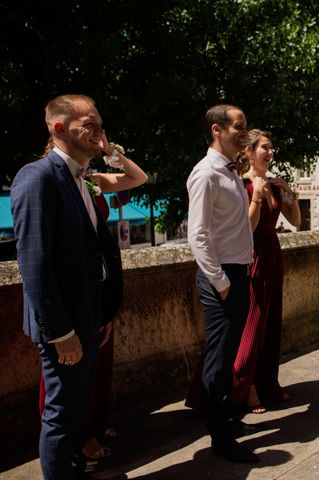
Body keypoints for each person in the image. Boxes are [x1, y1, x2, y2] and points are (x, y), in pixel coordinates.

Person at [11, 94, 126, 479]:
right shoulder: (37, 177)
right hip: (63, 327)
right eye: (89, 124)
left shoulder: (82, 180)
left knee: (77, 410)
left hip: (87, 315)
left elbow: (90, 255)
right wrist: (61, 333)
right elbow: (34, 265)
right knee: (60, 417)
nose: (98, 132)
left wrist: (100, 313)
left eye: (99, 124)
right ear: (59, 128)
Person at [37, 133, 148, 463]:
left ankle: (95, 423)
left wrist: (111, 153)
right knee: (68, 377)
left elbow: (137, 178)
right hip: (70, 293)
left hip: (98, 288)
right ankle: (78, 437)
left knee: (98, 365)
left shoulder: (94, 181)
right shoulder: (48, 181)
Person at [186, 104, 259, 464]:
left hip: (238, 272)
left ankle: (224, 419)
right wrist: (223, 283)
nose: (244, 131)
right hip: (223, 278)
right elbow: (196, 237)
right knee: (218, 361)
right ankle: (221, 438)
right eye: (238, 125)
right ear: (217, 129)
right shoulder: (205, 174)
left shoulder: (230, 170)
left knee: (228, 356)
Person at [232, 129, 301, 413]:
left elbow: (296, 221)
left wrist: (289, 193)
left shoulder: (273, 184)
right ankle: (244, 387)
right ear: (249, 152)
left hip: (273, 253)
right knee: (252, 322)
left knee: (271, 323)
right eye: (264, 148)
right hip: (252, 255)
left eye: (272, 148)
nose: (270, 153)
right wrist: (257, 196)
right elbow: (246, 228)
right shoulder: (240, 184)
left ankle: (268, 383)